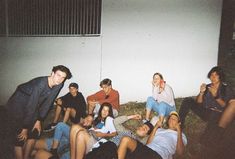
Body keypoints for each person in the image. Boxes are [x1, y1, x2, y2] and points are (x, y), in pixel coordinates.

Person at [0, 65, 72, 159]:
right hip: (18, 102)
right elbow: (31, 106)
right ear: (52, 73)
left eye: (63, 77)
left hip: (33, 104)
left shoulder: (59, 84)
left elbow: (48, 102)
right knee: (20, 135)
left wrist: (39, 120)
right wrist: (25, 127)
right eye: (58, 75)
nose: (60, 79)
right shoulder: (40, 84)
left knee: (35, 132)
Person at [118, 111, 187, 159]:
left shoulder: (181, 136)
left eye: (174, 119)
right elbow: (148, 143)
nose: (171, 120)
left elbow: (180, 152)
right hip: (147, 150)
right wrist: (156, 127)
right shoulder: (159, 130)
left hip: (159, 155)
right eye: (170, 118)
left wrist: (179, 130)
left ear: (179, 123)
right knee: (125, 139)